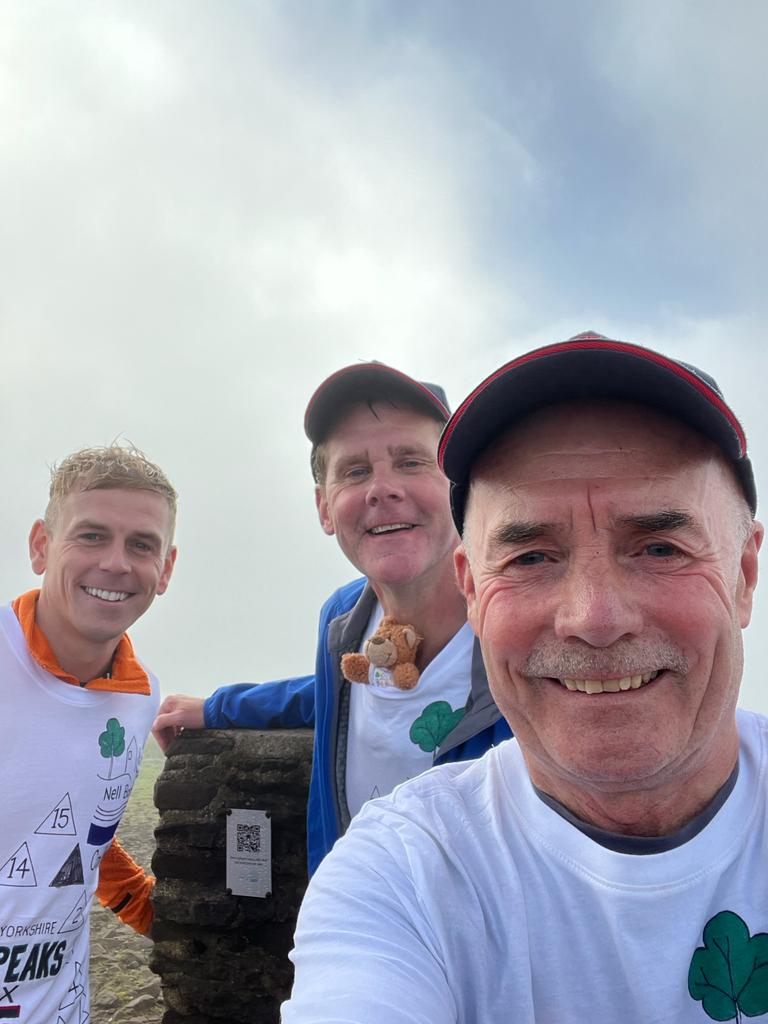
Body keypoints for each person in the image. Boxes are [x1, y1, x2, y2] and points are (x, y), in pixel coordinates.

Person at [282, 332, 768, 1023]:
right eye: (533, 557)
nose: (595, 618)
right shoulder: (402, 872)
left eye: (660, 547)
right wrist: (215, 708)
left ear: (745, 575)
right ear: (473, 590)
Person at [153, 363, 511, 874]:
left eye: (411, 462)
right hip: (352, 930)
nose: (381, 489)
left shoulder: (514, 619)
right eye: (356, 471)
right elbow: (335, 694)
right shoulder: (343, 616)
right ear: (325, 508)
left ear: (461, 489)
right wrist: (218, 708)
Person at [0, 445, 177, 1022]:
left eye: (141, 545)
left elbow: (77, 828)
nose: (117, 564)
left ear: (166, 568)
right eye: (92, 536)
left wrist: (150, 908)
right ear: (40, 546)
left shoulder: (138, 695)